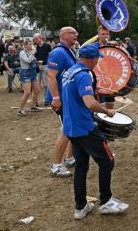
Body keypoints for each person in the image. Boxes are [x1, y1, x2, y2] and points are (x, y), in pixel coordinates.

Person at [61, 44, 128, 219]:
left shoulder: (69, 72)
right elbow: (90, 103)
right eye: (97, 58)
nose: (98, 61)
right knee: (107, 161)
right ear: (91, 59)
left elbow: (75, 96)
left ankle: (80, 206)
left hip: (71, 127)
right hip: (85, 127)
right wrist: (107, 111)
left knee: (81, 165)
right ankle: (106, 201)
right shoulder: (83, 75)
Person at [47, 27, 78, 177]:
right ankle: (56, 166)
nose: (76, 35)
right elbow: (51, 76)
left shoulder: (69, 50)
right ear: (64, 35)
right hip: (61, 99)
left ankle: (70, 158)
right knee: (66, 130)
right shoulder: (58, 52)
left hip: (68, 98)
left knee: (72, 128)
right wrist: (55, 97)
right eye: (73, 33)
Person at [94, 26, 115, 110]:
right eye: (103, 34)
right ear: (98, 35)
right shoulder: (94, 47)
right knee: (100, 106)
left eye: (107, 34)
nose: (105, 36)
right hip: (98, 79)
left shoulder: (112, 47)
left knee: (110, 104)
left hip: (110, 79)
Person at [33, 33, 52, 102]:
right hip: (37, 67)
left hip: (45, 66)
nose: (34, 40)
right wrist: (36, 61)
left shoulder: (47, 46)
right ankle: (36, 100)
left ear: (40, 38)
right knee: (36, 84)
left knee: (46, 84)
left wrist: (43, 61)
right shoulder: (35, 47)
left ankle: (46, 100)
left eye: (36, 39)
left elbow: (50, 56)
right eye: (34, 39)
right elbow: (34, 56)